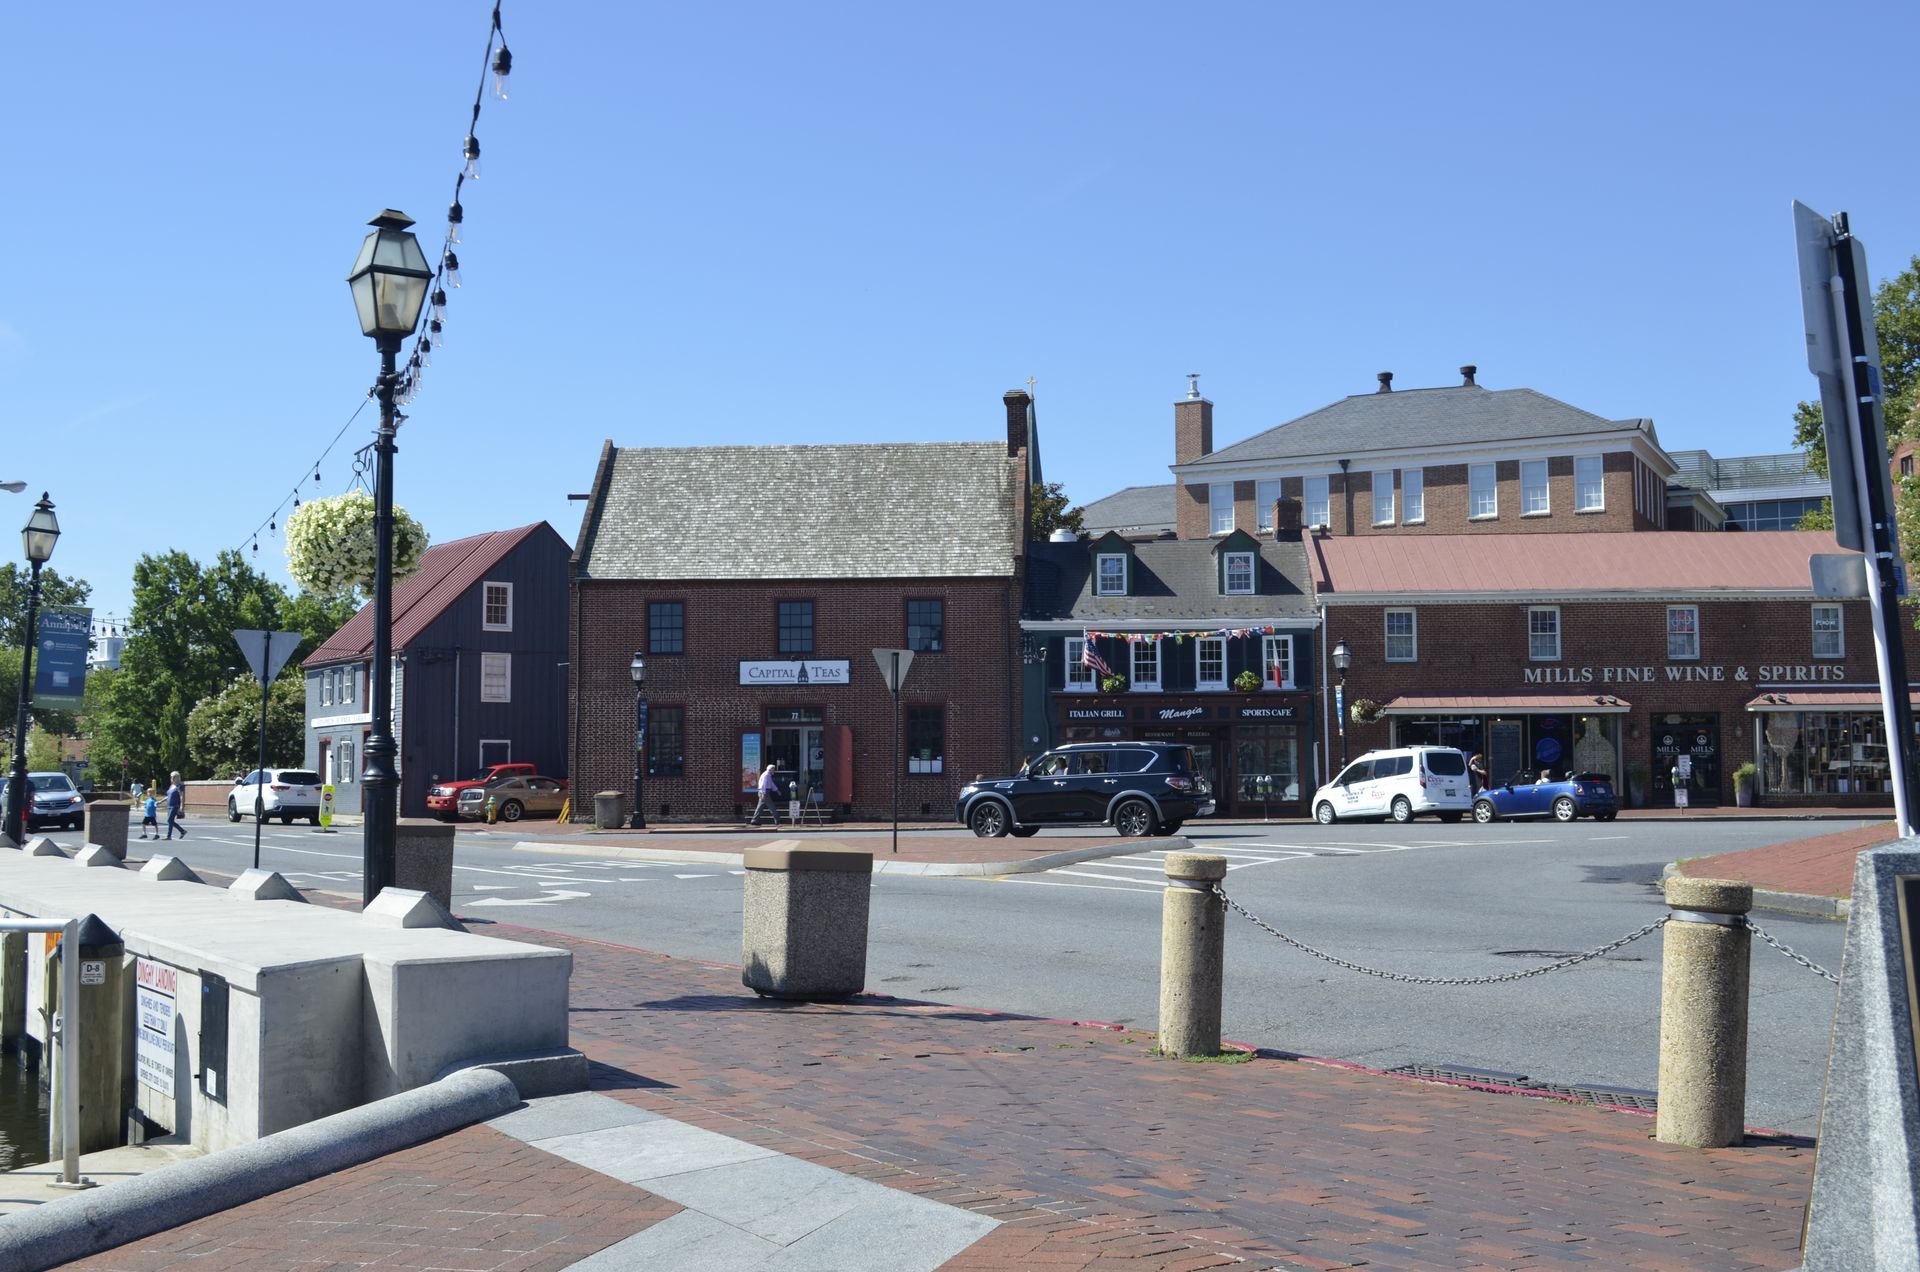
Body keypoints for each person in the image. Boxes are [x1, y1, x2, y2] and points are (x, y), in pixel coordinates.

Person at [164, 771, 187, 840]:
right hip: (169, 805)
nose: (172, 778)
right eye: (171, 777)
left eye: (174, 777)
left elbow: (181, 796)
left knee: (169, 820)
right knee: (170, 821)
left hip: (175, 806)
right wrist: (160, 801)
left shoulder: (180, 786)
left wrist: (181, 807)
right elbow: (169, 795)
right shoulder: (171, 786)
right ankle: (181, 831)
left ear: (178, 778)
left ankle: (170, 835)